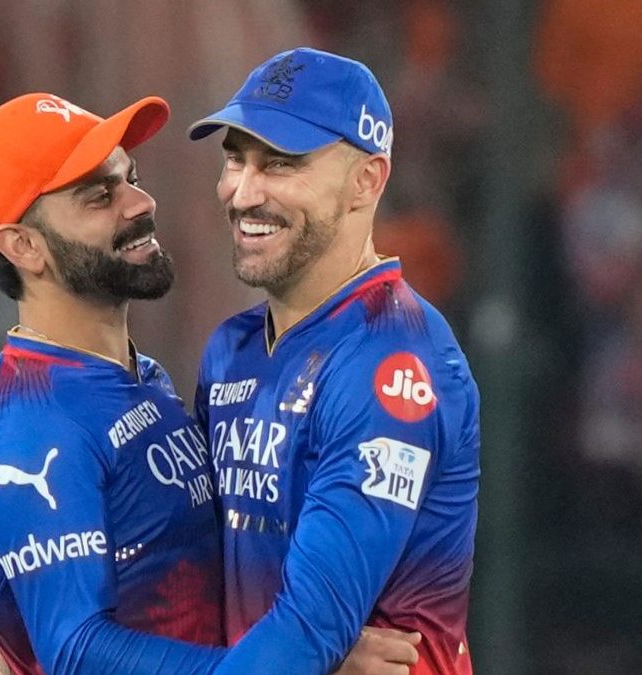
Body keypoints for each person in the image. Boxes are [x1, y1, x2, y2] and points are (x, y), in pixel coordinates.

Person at [0, 92, 420, 675]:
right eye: (100, 196)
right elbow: (75, 651)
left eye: (130, 178)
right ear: (23, 246)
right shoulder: (34, 424)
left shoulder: (132, 376)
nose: (141, 202)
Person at [186, 47, 480, 674]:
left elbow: (308, 628)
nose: (242, 192)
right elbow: (197, 584)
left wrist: (299, 656)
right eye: (234, 159)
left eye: (281, 164)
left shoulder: (393, 365)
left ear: (366, 181)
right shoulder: (230, 351)